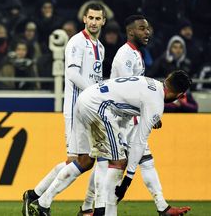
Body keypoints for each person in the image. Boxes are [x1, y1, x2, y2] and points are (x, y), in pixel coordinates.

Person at [27, 70, 191, 216]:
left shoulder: (150, 82)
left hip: (85, 99)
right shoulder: (156, 103)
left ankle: (43, 202)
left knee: (85, 161)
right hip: (98, 108)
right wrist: (128, 180)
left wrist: (149, 117)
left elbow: (127, 101)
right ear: (179, 95)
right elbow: (139, 143)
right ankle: (101, 211)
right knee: (118, 161)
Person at [22, 3, 106, 216]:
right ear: (84, 19)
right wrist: (98, 91)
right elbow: (73, 75)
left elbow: (94, 77)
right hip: (76, 109)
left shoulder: (101, 47)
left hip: (91, 110)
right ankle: (42, 201)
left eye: (98, 18)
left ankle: (35, 195)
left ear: (103, 21)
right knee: (82, 161)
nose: (94, 22)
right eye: (91, 18)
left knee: (80, 161)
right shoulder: (77, 42)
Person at [110, 15, 191, 216]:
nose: (148, 32)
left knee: (145, 161)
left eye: (148, 28)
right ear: (130, 31)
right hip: (119, 120)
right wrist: (146, 112)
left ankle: (162, 207)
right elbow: (125, 93)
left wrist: (149, 112)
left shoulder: (138, 54)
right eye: (142, 28)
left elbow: (139, 92)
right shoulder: (125, 56)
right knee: (108, 165)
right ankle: (92, 208)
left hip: (131, 119)